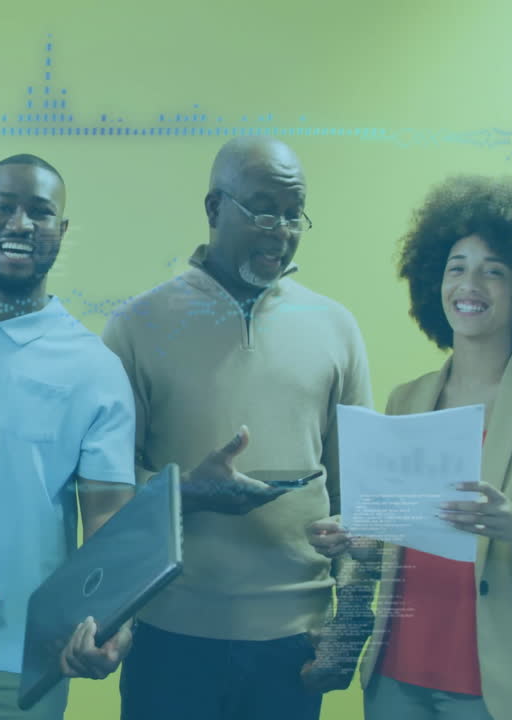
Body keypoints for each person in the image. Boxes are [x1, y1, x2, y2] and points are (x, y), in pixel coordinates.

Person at [0, 153, 262, 720]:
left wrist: (113, 625)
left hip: (28, 661)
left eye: (40, 213)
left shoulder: (93, 369)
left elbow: (106, 521)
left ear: (61, 232)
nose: (20, 224)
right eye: (4, 207)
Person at [102, 136, 375, 720]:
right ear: (213, 209)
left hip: (295, 648)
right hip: (169, 638)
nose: (280, 228)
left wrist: (351, 624)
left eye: (293, 210)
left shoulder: (338, 328)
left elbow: (364, 502)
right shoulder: (135, 326)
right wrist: (186, 495)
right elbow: (106, 493)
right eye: (260, 208)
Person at [309, 175, 512, 720]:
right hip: (396, 678)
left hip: (504, 689)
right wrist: (353, 535)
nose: (470, 284)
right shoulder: (406, 399)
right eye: (456, 267)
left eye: (494, 271)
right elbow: (385, 539)